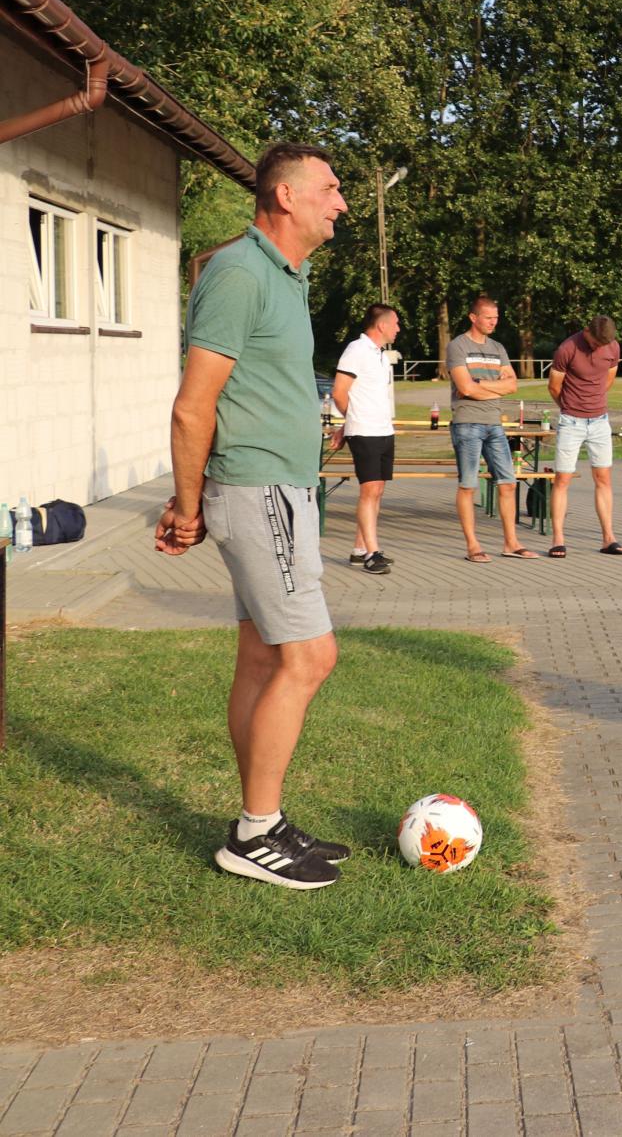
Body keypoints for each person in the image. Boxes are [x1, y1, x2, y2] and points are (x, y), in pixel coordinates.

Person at [155, 142, 357, 890]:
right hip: (261, 490)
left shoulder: (284, 276)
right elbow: (193, 406)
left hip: (272, 489)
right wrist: (187, 506)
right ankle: (251, 835)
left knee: (262, 657)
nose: (341, 203)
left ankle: (262, 823)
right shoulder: (241, 273)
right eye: (330, 189)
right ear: (285, 196)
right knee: (310, 657)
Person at [446, 295, 537, 563]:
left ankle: (511, 543)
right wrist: (490, 387)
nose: (493, 322)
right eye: (488, 317)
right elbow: (464, 388)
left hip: (494, 424)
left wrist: (478, 386)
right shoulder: (457, 346)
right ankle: (473, 545)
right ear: (473, 317)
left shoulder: (498, 348)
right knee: (468, 485)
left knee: (508, 483)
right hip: (467, 424)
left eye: (496, 318)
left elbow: (512, 385)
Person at [331, 302, 400, 575]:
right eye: (395, 323)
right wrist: (352, 422)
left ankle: (360, 549)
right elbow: (339, 392)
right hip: (365, 431)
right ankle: (373, 553)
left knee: (377, 490)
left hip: (383, 430)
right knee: (369, 490)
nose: (398, 329)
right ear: (381, 325)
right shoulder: (356, 350)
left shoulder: (381, 355)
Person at [548, 315, 622, 558]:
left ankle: (608, 538)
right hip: (571, 421)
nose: (597, 347)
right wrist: (570, 407)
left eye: (602, 344)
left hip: (600, 420)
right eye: (594, 343)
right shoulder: (567, 348)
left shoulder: (612, 347)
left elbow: (609, 376)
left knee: (603, 478)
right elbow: (554, 386)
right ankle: (558, 539)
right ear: (586, 331)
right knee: (563, 479)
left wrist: (594, 400)